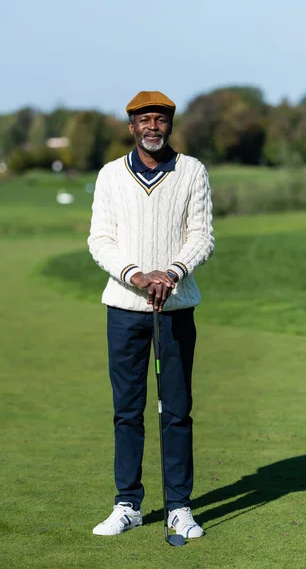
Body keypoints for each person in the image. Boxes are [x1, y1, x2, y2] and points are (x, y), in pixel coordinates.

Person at [88, 90, 214, 539]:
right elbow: (100, 240)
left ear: (170, 126)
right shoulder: (110, 176)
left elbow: (201, 235)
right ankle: (128, 504)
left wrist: (173, 273)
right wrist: (138, 275)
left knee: (176, 411)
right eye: (144, 121)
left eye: (160, 120)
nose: (153, 127)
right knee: (127, 410)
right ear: (131, 127)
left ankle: (179, 506)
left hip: (176, 309)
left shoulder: (192, 171)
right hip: (125, 309)